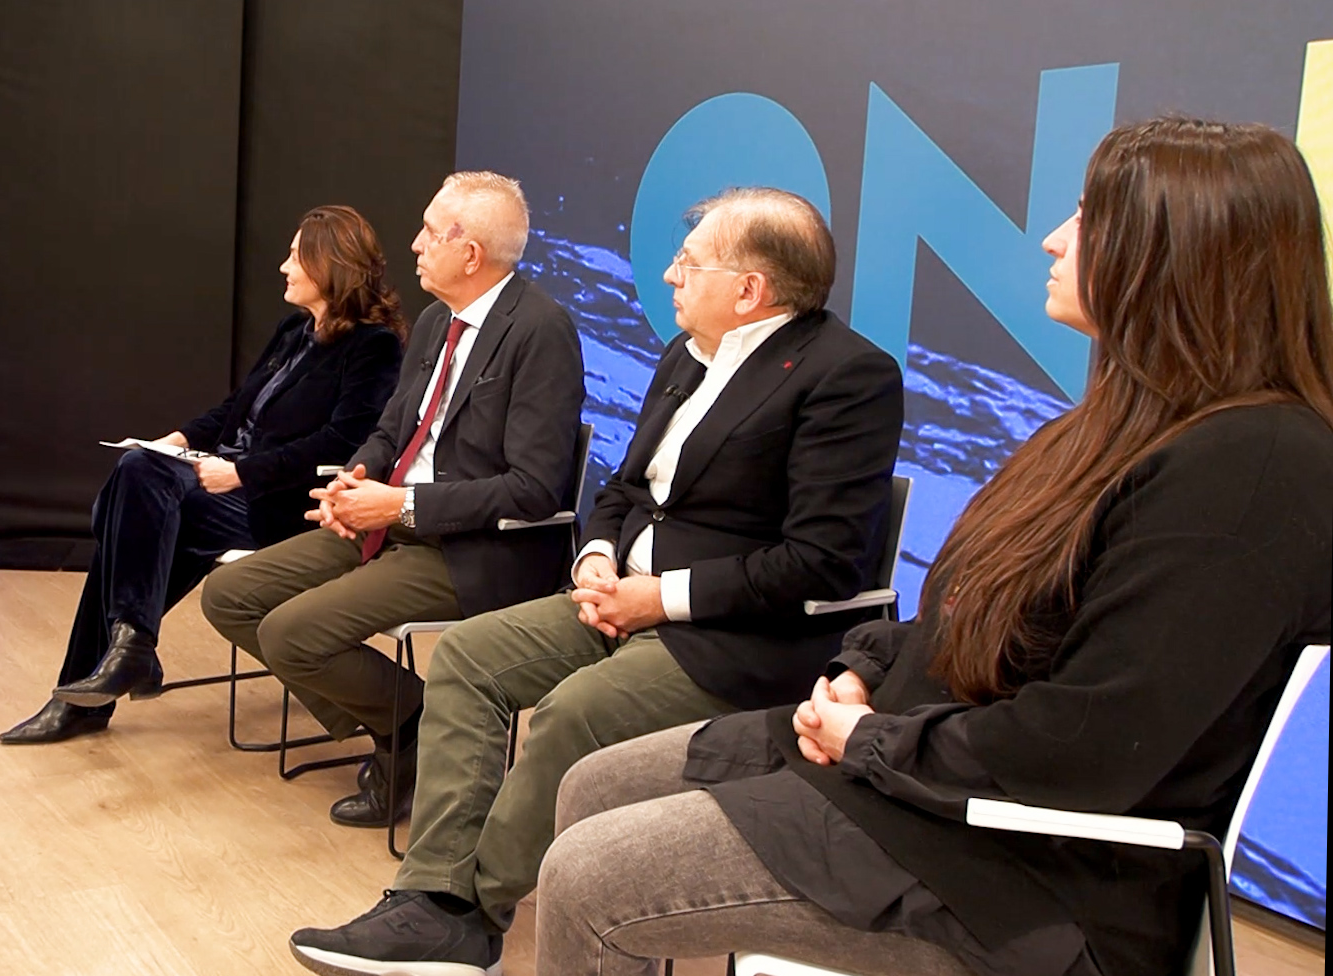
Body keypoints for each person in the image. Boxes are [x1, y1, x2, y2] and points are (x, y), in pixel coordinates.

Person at [536, 118, 1333, 976]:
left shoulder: (1256, 466)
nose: (1054, 239)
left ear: (1173, 250)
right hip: (925, 776)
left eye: (1086, 217)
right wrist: (866, 671)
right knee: (593, 783)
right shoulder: (1109, 429)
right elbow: (970, 614)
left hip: (1021, 874)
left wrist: (869, 741)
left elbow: (1088, 746)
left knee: (589, 877)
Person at [288, 188, 906, 976]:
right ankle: (433, 894)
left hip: (731, 636)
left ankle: (462, 912)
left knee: (575, 711)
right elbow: (623, 489)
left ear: (750, 289)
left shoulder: (848, 376)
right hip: (618, 595)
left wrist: (660, 598)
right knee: (469, 659)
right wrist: (597, 558)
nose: (672, 275)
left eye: (690, 263)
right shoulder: (684, 356)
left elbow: (822, 561)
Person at [201, 171, 587, 822]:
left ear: (470, 253)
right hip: (388, 522)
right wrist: (353, 480)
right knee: (229, 596)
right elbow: (391, 431)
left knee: (292, 634)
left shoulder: (540, 331)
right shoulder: (436, 321)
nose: (415, 244)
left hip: (470, 549)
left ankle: (412, 735)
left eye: (431, 232)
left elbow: (533, 487)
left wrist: (401, 506)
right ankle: (411, 725)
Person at [0, 205, 407, 744]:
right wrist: (178, 439)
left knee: (128, 517)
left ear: (328, 264)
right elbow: (236, 408)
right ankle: (129, 647)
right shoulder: (293, 329)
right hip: (224, 481)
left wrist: (241, 473)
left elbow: (342, 442)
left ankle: (100, 681)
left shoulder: (374, 345)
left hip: (282, 500)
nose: (284, 267)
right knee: (138, 484)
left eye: (294, 256)